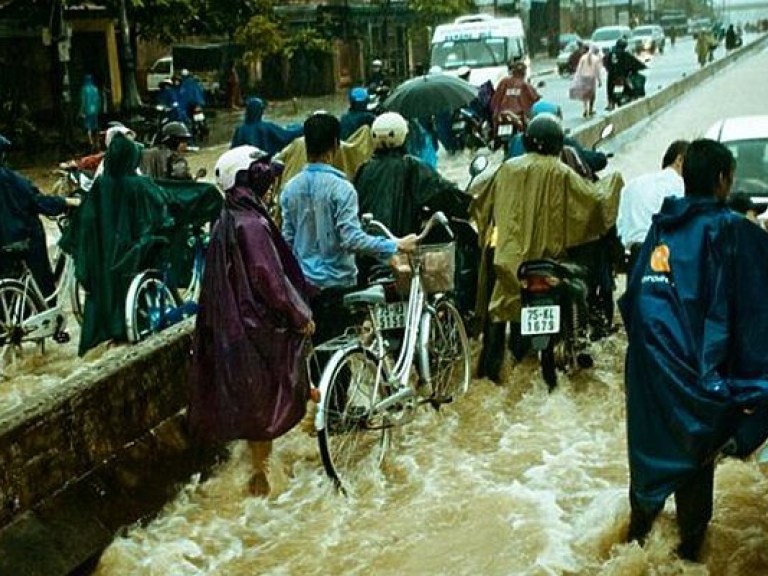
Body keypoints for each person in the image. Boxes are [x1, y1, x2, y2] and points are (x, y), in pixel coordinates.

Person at [620, 139, 768, 562]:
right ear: (724, 180)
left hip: (649, 371)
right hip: (696, 377)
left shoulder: (660, 228)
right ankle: (687, 559)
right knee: (696, 462)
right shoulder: (731, 229)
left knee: (648, 467)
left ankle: (632, 550)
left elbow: (633, 299)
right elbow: (755, 306)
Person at [188, 146, 315, 497]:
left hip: (231, 329)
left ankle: (253, 475)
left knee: (250, 408)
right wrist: (300, 316)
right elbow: (270, 281)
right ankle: (260, 480)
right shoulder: (253, 224)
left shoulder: (227, 219)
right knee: (262, 413)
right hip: (254, 329)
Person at [470, 113, 623, 383]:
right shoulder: (561, 171)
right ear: (557, 143)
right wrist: (615, 182)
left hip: (510, 264)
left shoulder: (507, 169)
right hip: (550, 262)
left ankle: (489, 373)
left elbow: (481, 205)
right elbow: (593, 203)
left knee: (494, 313)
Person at [280, 112, 417, 353]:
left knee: (316, 358)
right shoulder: (342, 189)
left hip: (303, 289)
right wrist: (394, 246)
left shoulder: (290, 189)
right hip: (337, 286)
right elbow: (352, 239)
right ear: (335, 145)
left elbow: (287, 242)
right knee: (341, 358)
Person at [67, 132, 174, 356]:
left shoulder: (99, 187)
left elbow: (82, 227)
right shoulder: (141, 185)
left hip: (102, 263)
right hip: (132, 259)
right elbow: (162, 213)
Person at [0, 134, 79, 296]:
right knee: (42, 282)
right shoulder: (10, 179)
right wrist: (65, 202)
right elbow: (37, 201)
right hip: (22, 238)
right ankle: (46, 303)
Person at [616, 140, 689, 273]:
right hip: (664, 259)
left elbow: (620, 228)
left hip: (635, 258)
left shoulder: (632, 186)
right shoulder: (681, 186)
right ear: (679, 160)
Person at [230, 97, 304, 156]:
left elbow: (233, 150)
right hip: (264, 163)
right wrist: (304, 128)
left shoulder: (239, 129)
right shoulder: (266, 127)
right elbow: (286, 136)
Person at [489, 60, 540, 138]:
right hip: (516, 116)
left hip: (503, 115)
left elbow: (495, 99)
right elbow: (535, 98)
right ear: (524, 73)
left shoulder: (504, 81)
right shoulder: (524, 84)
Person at [603, 37, 646, 110]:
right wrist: (642, 66)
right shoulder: (625, 54)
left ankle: (610, 102)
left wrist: (608, 69)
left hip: (612, 75)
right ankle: (632, 96)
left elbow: (605, 62)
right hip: (622, 76)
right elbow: (633, 62)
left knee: (609, 88)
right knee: (632, 88)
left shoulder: (610, 53)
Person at [570, 44, 603, 118]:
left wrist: (576, 79)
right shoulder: (595, 58)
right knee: (592, 94)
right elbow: (597, 71)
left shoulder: (582, 58)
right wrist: (599, 81)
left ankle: (585, 109)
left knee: (584, 94)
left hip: (584, 78)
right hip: (591, 78)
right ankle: (591, 109)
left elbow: (579, 69)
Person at [79, 74, 101, 151]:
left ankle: (90, 143)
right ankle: (97, 143)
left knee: (88, 128)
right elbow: (98, 100)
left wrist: (81, 112)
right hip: (95, 111)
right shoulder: (95, 89)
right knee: (95, 127)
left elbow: (83, 101)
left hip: (87, 111)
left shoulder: (84, 89)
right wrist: (98, 109)